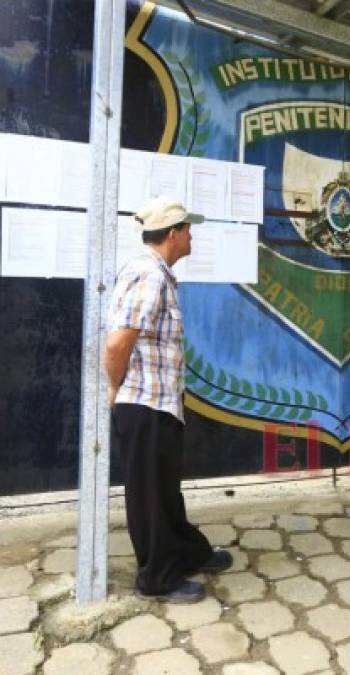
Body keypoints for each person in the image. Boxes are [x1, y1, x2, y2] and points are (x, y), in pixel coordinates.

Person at [105, 197, 232, 603]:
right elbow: (118, 342)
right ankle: (157, 578)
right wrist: (115, 387)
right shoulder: (149, 275)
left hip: (157, 403)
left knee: (164, 489)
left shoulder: (157, 273)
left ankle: (187, 553)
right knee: (149, 494)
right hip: (142, 403)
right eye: (188, 229)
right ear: (174, 234)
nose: (192, 235)